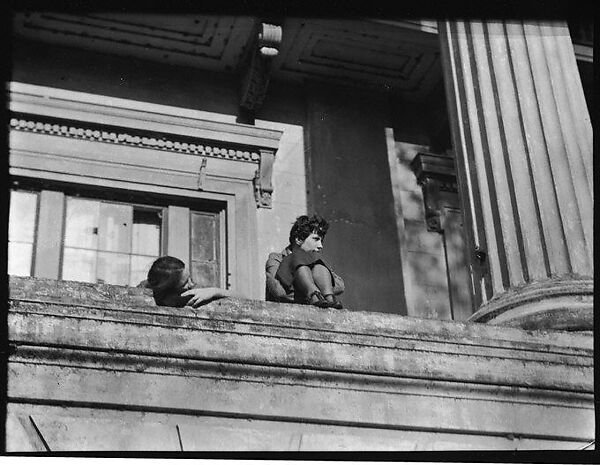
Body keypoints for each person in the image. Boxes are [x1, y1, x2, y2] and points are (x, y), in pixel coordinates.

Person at [265, 215, 344, 308]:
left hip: (317, 312)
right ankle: (314, 296)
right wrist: (306, 289)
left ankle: (328, 300)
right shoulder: (276, 258)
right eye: (316, 239)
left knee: (319, 267)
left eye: (321, 241)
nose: (320, 246)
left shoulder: (317, 262)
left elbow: (340, 285)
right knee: (295, 259)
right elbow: (278, 291)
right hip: (285, 313)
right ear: (299, 240)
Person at [146, 256, 232, 308]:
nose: (191, 284)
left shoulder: (197, 291)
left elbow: (243, 297)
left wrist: (214, 291)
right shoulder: (149, 290)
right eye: (185, 283)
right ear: (169, 289)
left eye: (190, 277)